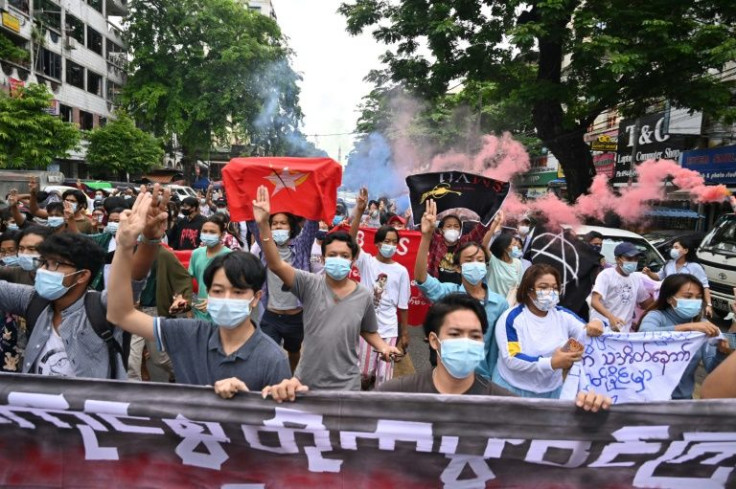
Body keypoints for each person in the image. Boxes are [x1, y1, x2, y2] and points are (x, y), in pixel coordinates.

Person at [106, 194, 291, 394]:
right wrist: (125, 247)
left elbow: (278, 419)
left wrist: (246, 400)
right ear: (207, 293)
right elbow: (120, 314)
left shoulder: (272, 359)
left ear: (255, 298)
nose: (226, 299)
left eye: (238, 292)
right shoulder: (189, 334)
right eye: (218, 291)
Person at [253, 185, 402, 397]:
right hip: (306, 382)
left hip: (347, 385)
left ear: (352, 260)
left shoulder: (364, 295)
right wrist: (263, 225)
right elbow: (276, 265)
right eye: (332, 255)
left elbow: (368, 330)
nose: (338, 260)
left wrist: (383, 347)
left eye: (344, 256)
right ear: (323, 259)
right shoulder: (309, 284)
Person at [377, 293, 612, 411]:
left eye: (475, 336)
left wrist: (586, 415)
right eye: (456, 334)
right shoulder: (392, 396)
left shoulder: (506, 406)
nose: (467, 342)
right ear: (434, 341)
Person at [415, 199, 508, 377]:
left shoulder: (500, 304)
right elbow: (421, 278)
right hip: (447, 378)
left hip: (482, 380)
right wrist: (426, 236)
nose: (476, 264)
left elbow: (498, 351)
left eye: (480, 260)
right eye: (469, 260)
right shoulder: (449, 294)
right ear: (458, 267)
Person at [494, 264, 605, 398]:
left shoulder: (563, 315)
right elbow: (512, 357)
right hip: (513, 389)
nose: (550, 292)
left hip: (551, 390)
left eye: (555, 288)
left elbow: (587, 333)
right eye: (543, 287)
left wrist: (598, 323)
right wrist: (551, 363)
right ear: (528, 291)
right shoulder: (511, 319)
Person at [351, 188, 411, 388]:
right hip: (367, 329)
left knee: (384, 378)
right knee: (364, 375)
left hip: (389, 330)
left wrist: (404, 334)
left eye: (394, 242)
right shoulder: (367, 262)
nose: (391, 245)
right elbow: (350, 243)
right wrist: (359, 212)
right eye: (387, 241)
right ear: (377, 243)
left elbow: (403, 306)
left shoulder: (401, 271)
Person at [247, 205, 319, 373]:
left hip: (296, 317)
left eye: (283, 223)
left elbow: (312, 224)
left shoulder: (301, 246)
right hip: (272, 315)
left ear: (291, 226)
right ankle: (271, 382)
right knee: (267, 353)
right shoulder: (266, 246)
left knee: (294, 352)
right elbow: (251, 221)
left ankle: (293, 378)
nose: (278, 226)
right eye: (274, 223)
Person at [638, 274, 721, 399]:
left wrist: (721, 352)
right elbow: (644, 334)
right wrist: (687, 327)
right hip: (649, 399)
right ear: (670, 299)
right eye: (688, 297)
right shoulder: (657, 316)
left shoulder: (703, 327)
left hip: (682, 401)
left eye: (698, 297)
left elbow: (712, 369)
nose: (694, 301)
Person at [590, 242, 654, 332]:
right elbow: (595, 301)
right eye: (629, 258)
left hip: (623, 333)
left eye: (636, 259)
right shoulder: (606, 275)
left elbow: (645, 303)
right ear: (617, 259)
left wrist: (663, 293)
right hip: (602, 330)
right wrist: (611, 318)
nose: (633, 262)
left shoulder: (636, 278)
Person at [643, 237, 713, 318]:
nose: (673, 250)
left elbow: (705, 287)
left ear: (685, 250)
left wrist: (709, 304)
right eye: (673, 247)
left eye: (676, 247)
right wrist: (649, 273)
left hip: (686, 304)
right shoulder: (669, 264)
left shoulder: (695, 267)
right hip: (669, 303)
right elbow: (658, 277)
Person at [427, 206, 497, 285]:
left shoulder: (465, 243)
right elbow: (427, 230)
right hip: (437, 289)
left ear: (460, 230)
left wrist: (492, 212)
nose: (452, 229)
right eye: (449, 226)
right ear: (441, 230)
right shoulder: (436, 242)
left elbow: (481, 229)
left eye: (456, 226)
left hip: (459, 290)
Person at [189, 216, 232, 321]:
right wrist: (188, 307)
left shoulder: (230, 257)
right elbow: (187, 280)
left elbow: (234, 287)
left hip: (222, 315)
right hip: (200, 313)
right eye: (204, 231)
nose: (207, 235)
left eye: (212, 232)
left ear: (221, 235)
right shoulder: (196, 254)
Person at [487, 232, 524, 302]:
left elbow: (520, 285)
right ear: (505, 247)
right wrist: (495, 222)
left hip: (509, 305)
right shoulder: (493, 261)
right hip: (493, 303)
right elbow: (484, 244)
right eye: (514, 244)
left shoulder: (517, 263)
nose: (517, 247)